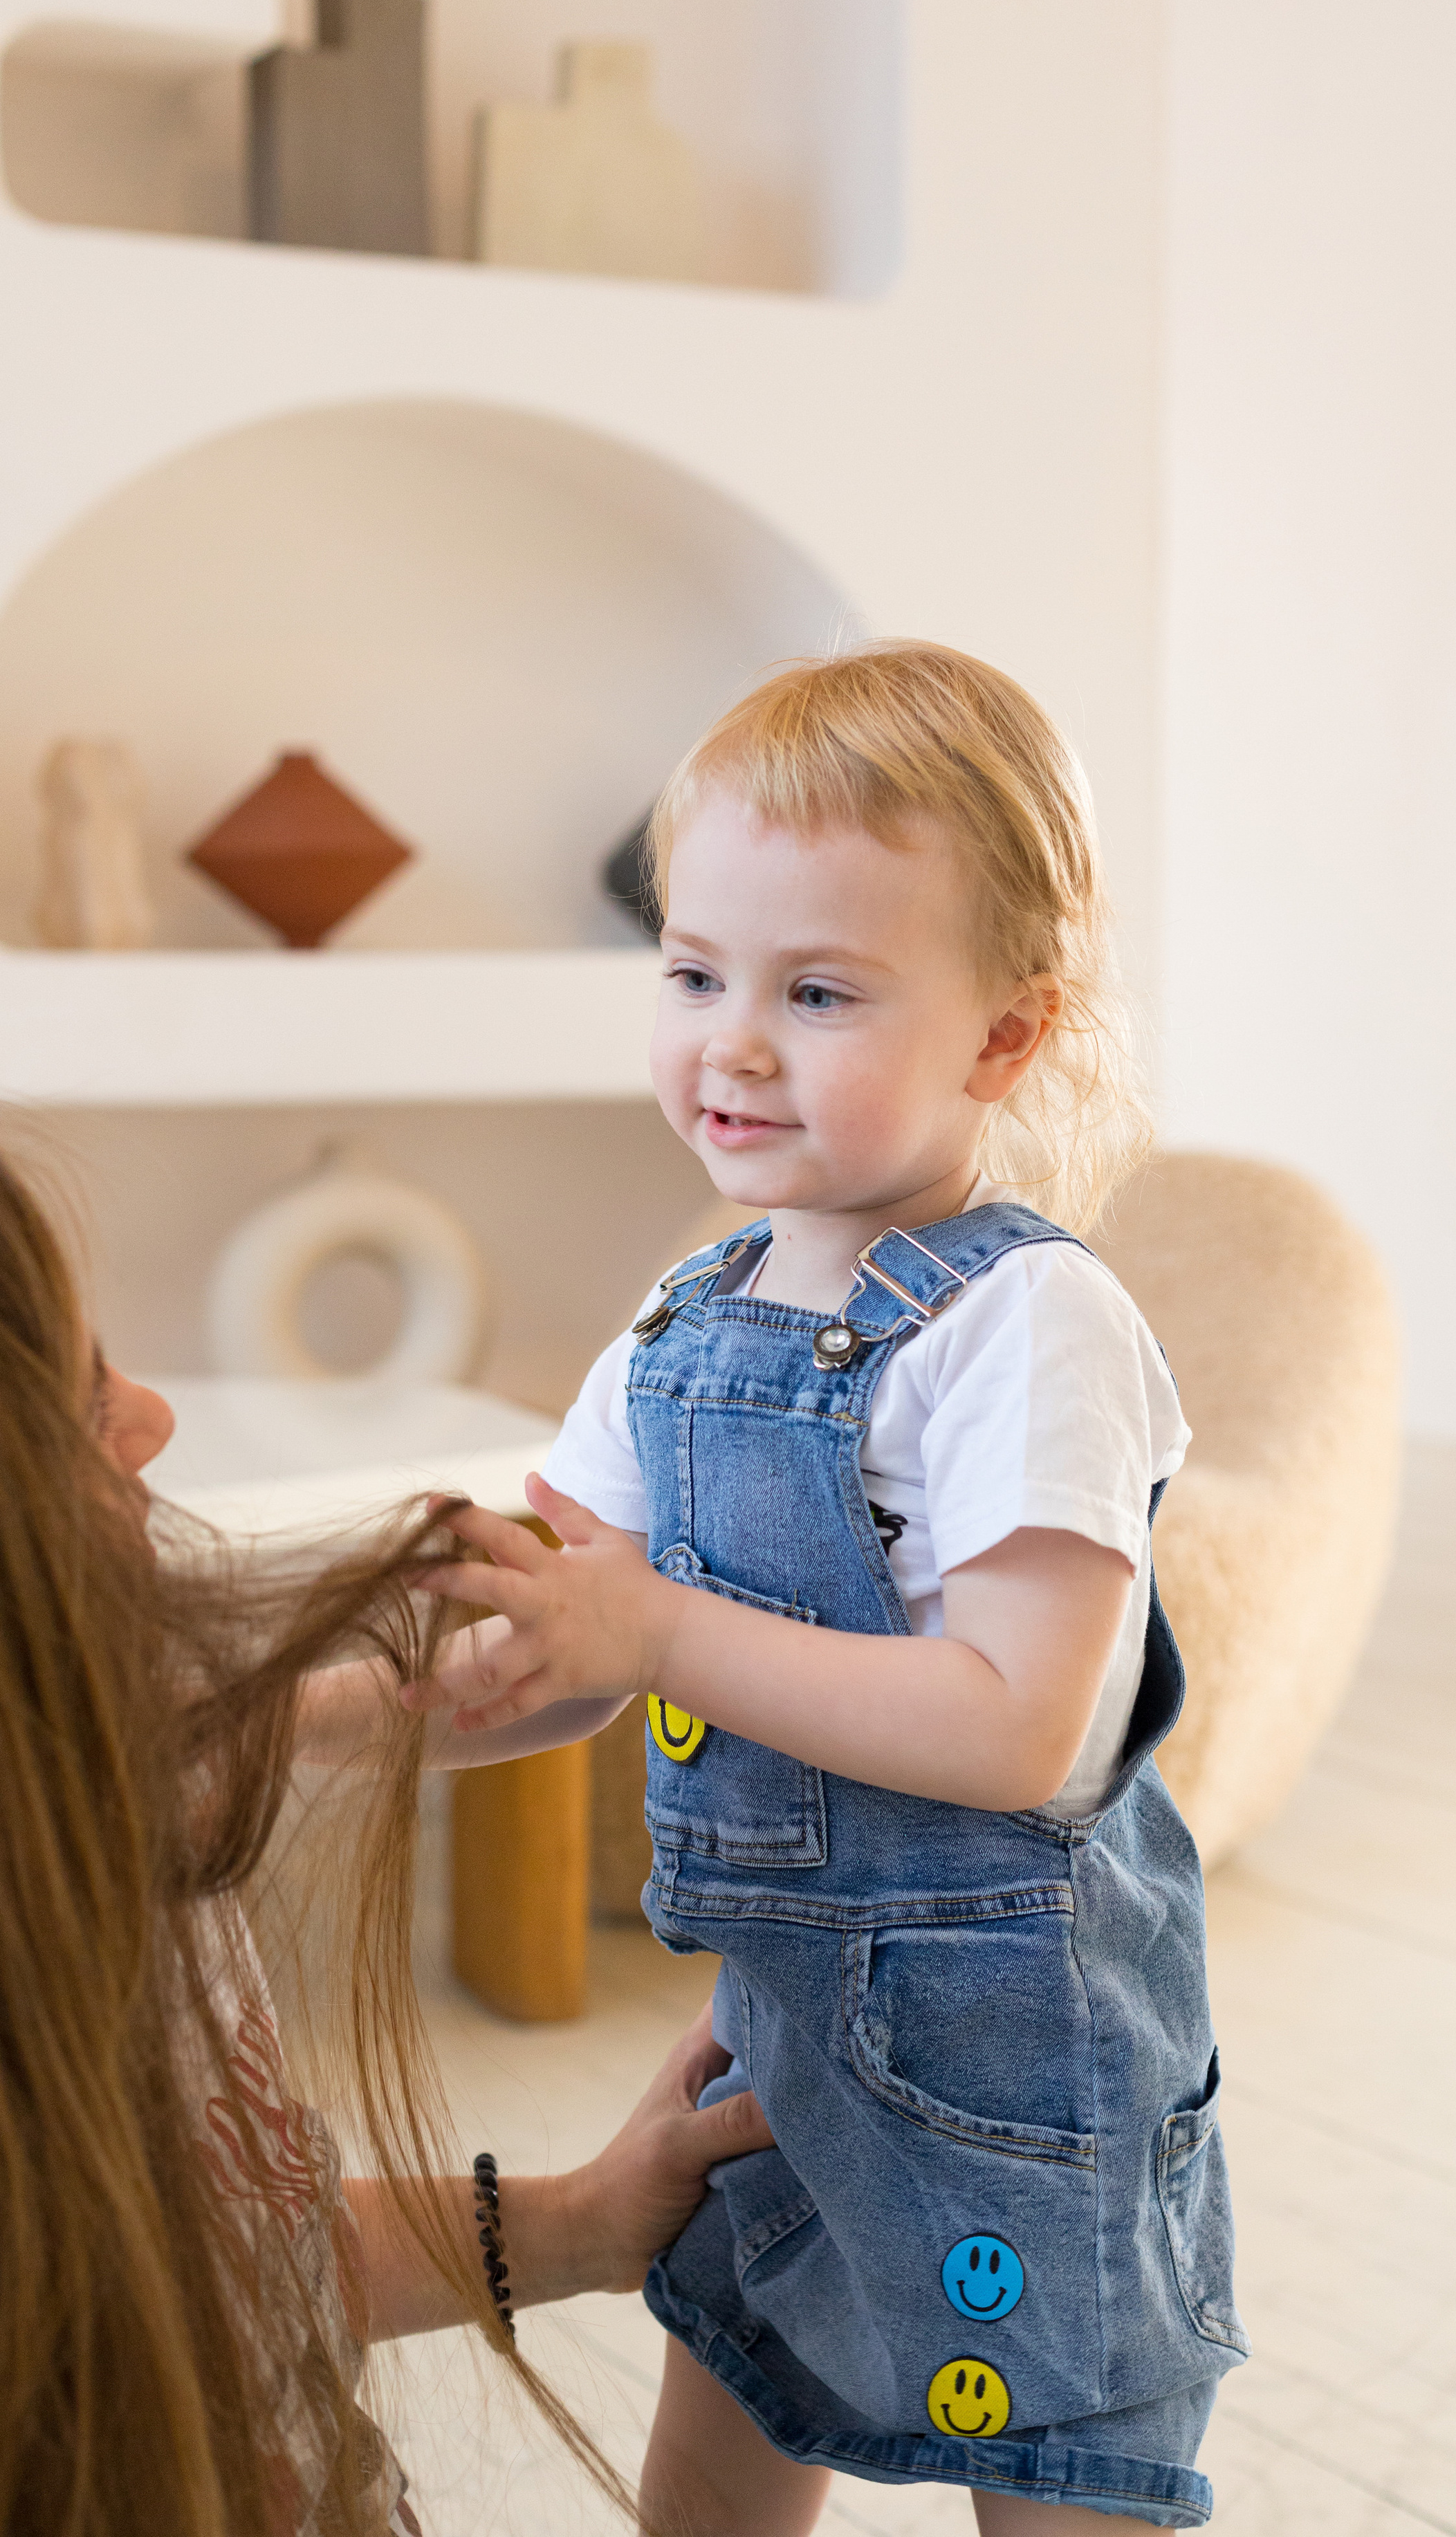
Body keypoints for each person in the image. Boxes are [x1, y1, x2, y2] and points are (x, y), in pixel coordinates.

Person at [396, 643, 1250, 2532]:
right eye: (696, 973)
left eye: (822, 991)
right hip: (779, 2053)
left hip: (1027, 2086)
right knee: (714, 2469)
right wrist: (389, 1711)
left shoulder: (1029, 1327)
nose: (735, 1041)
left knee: (1059, 2466)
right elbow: (572, 1632)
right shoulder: (678, 1323)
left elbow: (1018, 1723)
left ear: (1004, 1039)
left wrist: (662, 1628)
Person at [0, 1144, 773, 2537]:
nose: (155, 1417)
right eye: (75, 1393)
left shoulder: (110, 1762)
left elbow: (231, 2266)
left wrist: (583, 2223)